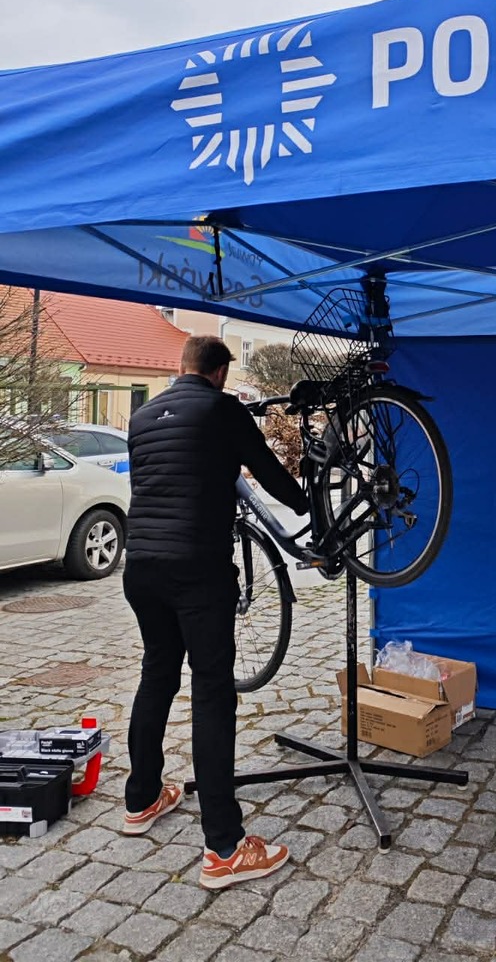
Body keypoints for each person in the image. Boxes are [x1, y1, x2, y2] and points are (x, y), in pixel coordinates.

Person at [121, 335, 308, 889]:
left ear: (182, 367)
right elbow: (269, 474)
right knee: (212, 693)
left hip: (141, 566)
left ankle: (141, 798)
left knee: (157, 675)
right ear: (221, 372)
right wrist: (309, 506)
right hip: (198, 570)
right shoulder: (222, 408)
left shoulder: (142, 416)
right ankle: (225, 846)